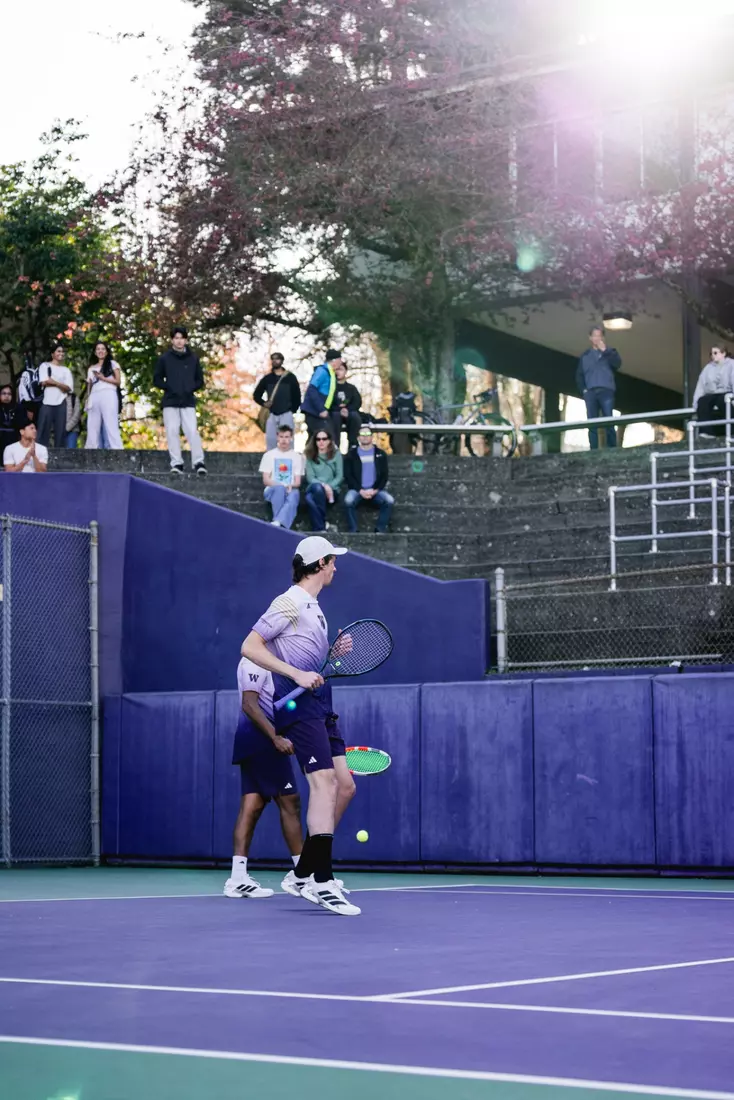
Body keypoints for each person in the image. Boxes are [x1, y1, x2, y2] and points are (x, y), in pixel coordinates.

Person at [241, 534, 359, 916]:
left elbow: (308, 657)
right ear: (320, 564)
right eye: (333, 561)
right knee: (323, 784)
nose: (336, 567)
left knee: (344, 786)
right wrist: (296, 673)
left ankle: (301, 872)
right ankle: (321, 881)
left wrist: (330, 653)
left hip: (322, 705)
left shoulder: (313, 607)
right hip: (299, 708)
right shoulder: (289, 601)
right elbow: (251, 646)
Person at [224, 654, 304, 899]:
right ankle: (304, 876)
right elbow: (249, 704)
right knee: (290, 801)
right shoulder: (254, 661)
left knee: (252, 804)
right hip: (260, 741)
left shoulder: (274, 662)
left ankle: (237, 878)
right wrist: (275, 738)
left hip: (256, 740)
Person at [153, 326, 207, 476]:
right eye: (176, 338)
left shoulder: (193, 358)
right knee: (172, 431)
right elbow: (156, 379)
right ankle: (177, 464)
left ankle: (199, 463)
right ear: (172, 340)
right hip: (170, 401)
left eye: (181, 338)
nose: (179, 341)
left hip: (188, 401)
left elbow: (200, 380)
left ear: (186, 340)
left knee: (192, 432)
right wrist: (169, 387)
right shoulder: (165, 358)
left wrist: (190, 388)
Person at [576, 326, 622, 449]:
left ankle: (612, 448)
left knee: (608, 419)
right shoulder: (585, 356)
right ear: (590, 338)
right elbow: (579, 375)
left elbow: (617, 364)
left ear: (603, 337)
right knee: (592, 422)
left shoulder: (610, 352)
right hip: (590, 392)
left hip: (606, 391)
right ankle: (594, 449)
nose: (597, 338)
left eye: (599, 335)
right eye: (594, 335)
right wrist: (584, 390)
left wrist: (605, 351)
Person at [343, 424, 394, 533]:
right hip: (357, 490)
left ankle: (380, 529)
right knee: (348, 501)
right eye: (362, 434)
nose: (365, 436)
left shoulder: (380, 454)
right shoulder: (351, 455)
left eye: (368, 434)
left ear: (372, 437)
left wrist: (375, 490)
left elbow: (384, 475)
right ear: (358, 438)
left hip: (374, 490)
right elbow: (348, 475)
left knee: (389, 501)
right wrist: (360, 490)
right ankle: (353, 529)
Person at [253, 353, 302, 451]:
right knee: (271, 440)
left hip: (286, 413)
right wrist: (264, 403)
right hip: (272, 413)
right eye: (273, 359)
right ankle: (271, 462)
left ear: (282, 361)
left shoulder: (290, 378)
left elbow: (297, 396)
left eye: (277, 359)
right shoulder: (268, 378)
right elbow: (256, 395)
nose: (275, 361)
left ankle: (289, 461)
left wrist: (292, 410)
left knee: (288, 441)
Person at [259, 424, 304, 528]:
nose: (284, 440)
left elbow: (297, 482)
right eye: (281, 436)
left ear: (291, 438)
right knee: (279, 489)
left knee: (294, 495)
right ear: (277, 437)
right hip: (272, 489)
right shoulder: (269, 455)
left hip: (290, 488)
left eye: (287, 437)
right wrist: (281, 486)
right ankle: (280, 522)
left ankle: (277, 522)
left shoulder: (297, 457)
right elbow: (266, 480)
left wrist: (289, 486)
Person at [85, 341, 123, 450]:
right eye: (98, 349)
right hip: (94, 396)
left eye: (103, 349)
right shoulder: (91, 368)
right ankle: (90, 448)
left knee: (111, 422)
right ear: (95, 352)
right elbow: (90, 385)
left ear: (106, 351)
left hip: (109, 394)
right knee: (92, 424)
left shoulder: (112, 364)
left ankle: (117, 448)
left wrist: (103, 378)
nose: (100, 351)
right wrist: (88, 397)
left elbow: (118, 381)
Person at [304, 430, 344, 532]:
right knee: (318, 488)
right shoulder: (310, 455)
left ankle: (319, 527)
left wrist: (329, 486)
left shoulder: (336, 455)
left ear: (329, 441)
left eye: (324, 439)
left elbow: (339, 476)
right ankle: (323, 524)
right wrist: (324, 485)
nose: (321, 442)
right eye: (318, 439)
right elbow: (310, 477)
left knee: (309, 499)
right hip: (315, 487)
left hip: (332, 490)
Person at [37, 343, 73, 449]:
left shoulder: (66, 370)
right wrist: (60, 385)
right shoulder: (45, 366)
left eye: (62, 352)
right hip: (47, 402)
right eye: (58, 351)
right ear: (52, 354)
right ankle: (40, 455)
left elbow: (69, 388)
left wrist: (54, 382)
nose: (61, 353)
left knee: (60, 431)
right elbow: (44, 382)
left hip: (61, 401)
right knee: (43, 430)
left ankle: (60, 457)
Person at [693, 346, 734, 438]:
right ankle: (706, 431)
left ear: (723, 353)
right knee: (703, 401)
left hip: (728, 392)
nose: (712, 355)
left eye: (715, 353)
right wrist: (695, 403)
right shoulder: (708, 368)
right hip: (713, 393)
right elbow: (701, 386)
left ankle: (732, 430)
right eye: (711, 353)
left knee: (723, 401)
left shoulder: (732, 364)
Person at [301, 349, 341, 439]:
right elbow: (311, 389)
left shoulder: (331, 373)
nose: (341, 363)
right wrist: (321, 409)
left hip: (321, 412)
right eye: (339, 360)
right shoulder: (322, 371)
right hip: (315, 412)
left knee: (316, 438)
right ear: (334, 360)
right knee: (322, 437)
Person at [330, 361, 362, 448]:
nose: (338, 372)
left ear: (345, 371)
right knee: (335, 416)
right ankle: (335, 447)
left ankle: (353, 445)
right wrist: (339, 410)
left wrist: (347, 409)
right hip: (335, 413)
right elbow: (327, 403)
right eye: (335, 370)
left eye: (340, 369)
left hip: (349, 413)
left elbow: (357, 402)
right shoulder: (329, 387)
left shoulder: (351, 388)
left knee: (355, 416)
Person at [17, 353, 41, 425]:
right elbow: (23, 392)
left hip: (37, 405)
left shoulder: (38, 374)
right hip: (29, 405)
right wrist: (29, 407)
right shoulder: (26, 374)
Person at [0, 384, 21, 454]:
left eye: (9, 394)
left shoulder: (17, 407)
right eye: (4, 393)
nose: (6, 396)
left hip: (13, 439)